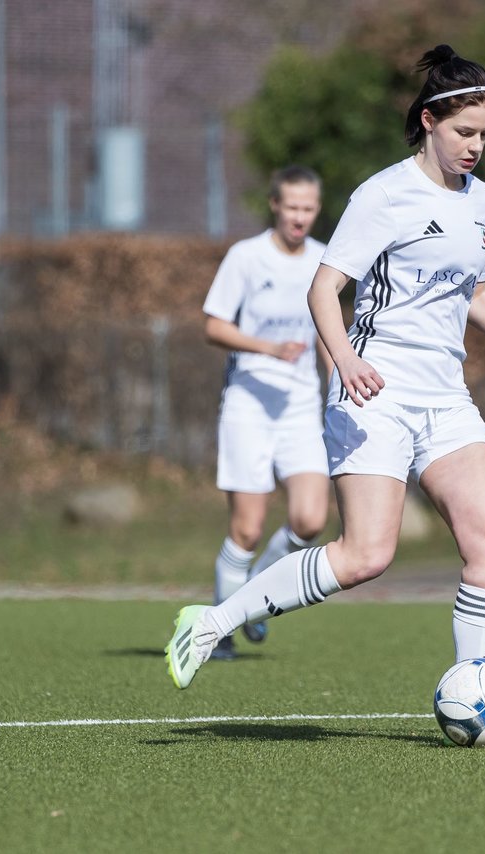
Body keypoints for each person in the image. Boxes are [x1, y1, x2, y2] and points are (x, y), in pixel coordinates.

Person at [164, 44, 485, 746]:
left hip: (445, 398)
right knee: (365, 555)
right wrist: (347, 358)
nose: (477, 146)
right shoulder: (383, 195)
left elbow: (471, 292)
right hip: (374, 392)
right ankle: (210, 622)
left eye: (484, 133)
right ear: (428, 122)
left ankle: (483, 701)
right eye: (464, 132)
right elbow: (324, 287)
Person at [201, 165, 331, 660]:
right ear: (275, 206)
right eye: (292, 207)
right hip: (250, 402)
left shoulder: (324, 261)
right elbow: (214, 326)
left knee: (310, 519)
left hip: (301, 408)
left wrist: (343, 381)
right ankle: (218, 632)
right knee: (248, 528)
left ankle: (251, 598)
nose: (300, 217)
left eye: (308, 209)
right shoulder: (246, 257)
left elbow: (327, 334)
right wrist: (268, 348)